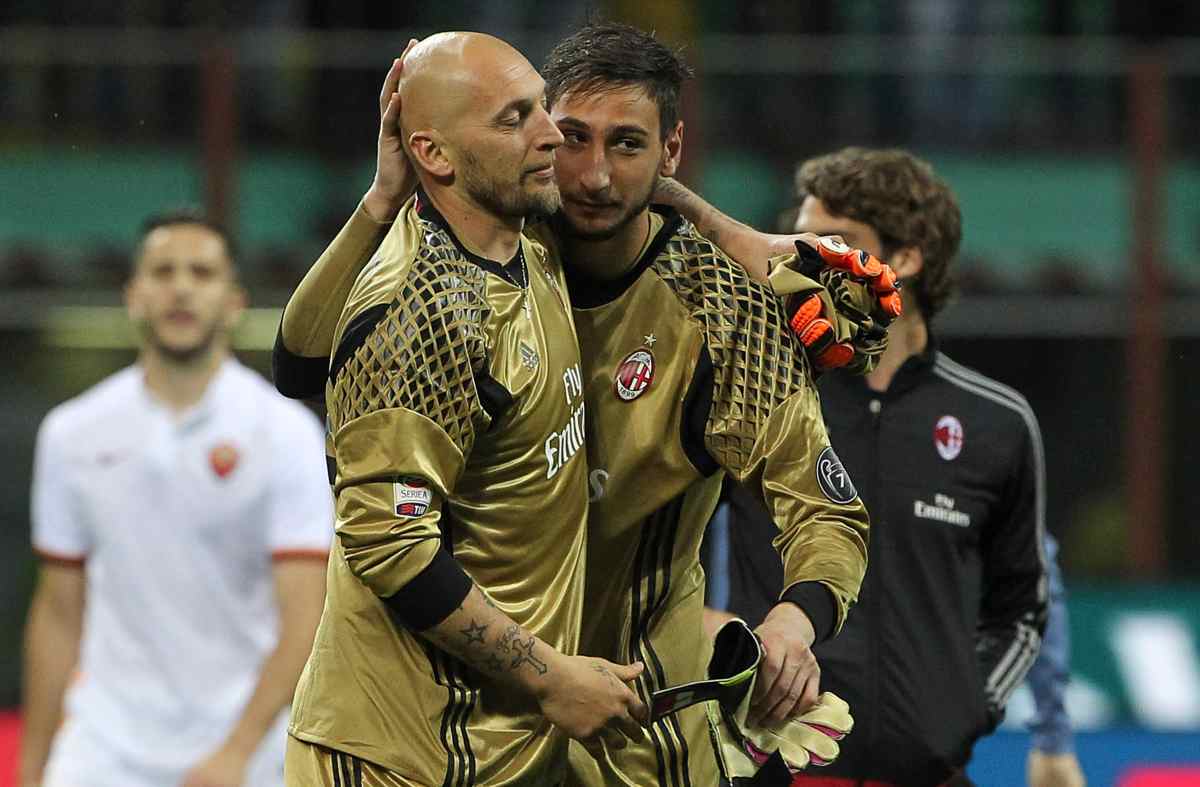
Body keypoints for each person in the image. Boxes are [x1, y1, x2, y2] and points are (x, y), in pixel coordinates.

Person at [274, 24, 871, 787]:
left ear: (671, 152)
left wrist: (794, 622)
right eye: (572, 136)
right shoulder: (494, 240)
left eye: (627, 145)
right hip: (441, 724)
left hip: (637, 719)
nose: (592, 176)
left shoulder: (725, 313)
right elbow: (302, 365)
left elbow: (825, 507)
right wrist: (385, 196)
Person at [278, 33, 649, 787]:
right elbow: (391, 545)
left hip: (496, 746)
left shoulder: (524, 234)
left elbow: (297, 363)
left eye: (541, 105)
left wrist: (385, 192)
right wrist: (550, 676)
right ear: (438, 156)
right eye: (516, 119)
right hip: (402, 756)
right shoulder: (425, 314)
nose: (552, 133)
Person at [662, 147, 1054, 786]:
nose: (812, 259)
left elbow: (1022, 607)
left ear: (906, 259)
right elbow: (663, 558)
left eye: (836, 240)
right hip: (776, 767)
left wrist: (963, 707)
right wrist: (714, 634)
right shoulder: (761, 392)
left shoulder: (997, 422)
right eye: (804, 236)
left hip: (928, 772)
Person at [19, 211, 333, 787]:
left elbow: (306, 616)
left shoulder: (286, 434)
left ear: (234, 300)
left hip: (250, 748)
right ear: (134, 296)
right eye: (163, 272)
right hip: (103, 749)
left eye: (201, 272)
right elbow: (58, 612)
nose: (182, 286)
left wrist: (235, 752)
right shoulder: (70, 433)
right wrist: (32, 768)